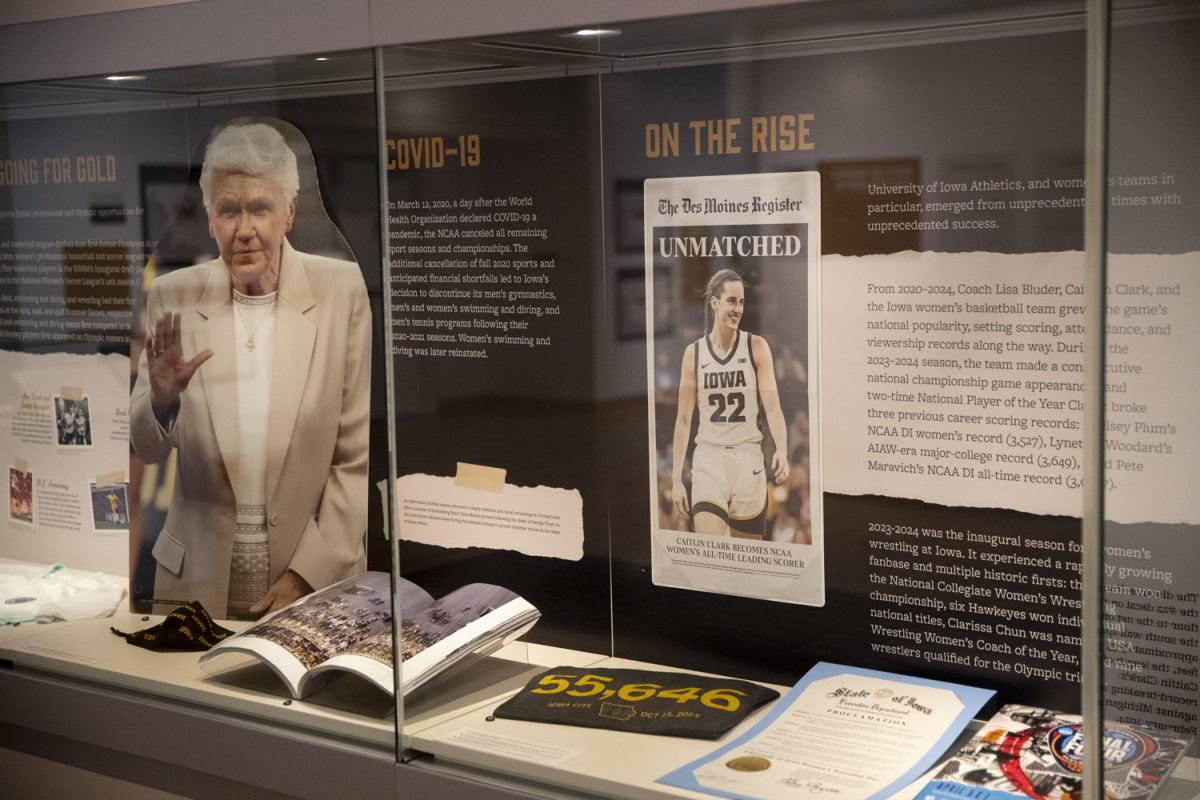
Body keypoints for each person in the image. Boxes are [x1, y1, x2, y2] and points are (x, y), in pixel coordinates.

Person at [130, 122, 371, 619]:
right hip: (193, 578)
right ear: (210, 219)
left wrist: (308, 573)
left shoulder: (340, 291)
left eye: (260, 208)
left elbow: (353, 459)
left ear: (288, 212)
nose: (244, 228)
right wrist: (161, 400)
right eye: (228, 210)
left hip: (314, 581)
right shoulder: (173, 295)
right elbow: (147, 449)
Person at [670, 269, 789, 539]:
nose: (738, 308)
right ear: (714, 303)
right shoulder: (694, 353)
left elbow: (772, 408)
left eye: (742, 302)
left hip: (748, 458)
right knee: (712, 551)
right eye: (731, 301)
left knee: (745, 563)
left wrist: (781, 448)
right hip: (708, 458)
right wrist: (677, 478)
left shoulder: (756, 346)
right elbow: (684, 420)